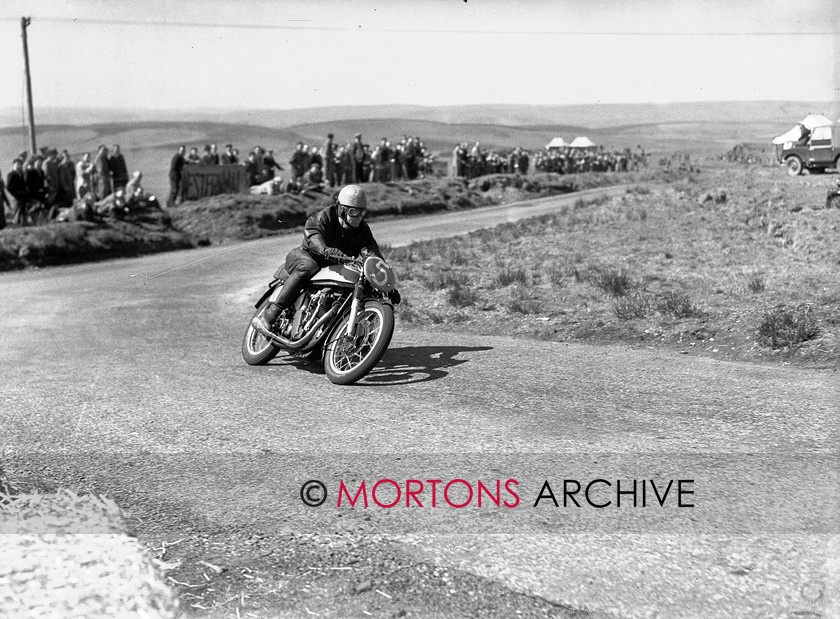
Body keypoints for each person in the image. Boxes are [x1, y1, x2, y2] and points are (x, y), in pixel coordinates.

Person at [252, 184, 399, 336]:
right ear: (342, 208)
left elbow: (371, 251)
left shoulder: (362, 229)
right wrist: (325, 250)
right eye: (353, 211)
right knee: (308, 267)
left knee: (359, 284)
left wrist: (386, 283)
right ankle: (272, 313)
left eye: (362, 212)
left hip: (334, 265)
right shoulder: (324, 216)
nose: (358, 216)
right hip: (307, 256)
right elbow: (312, 234)